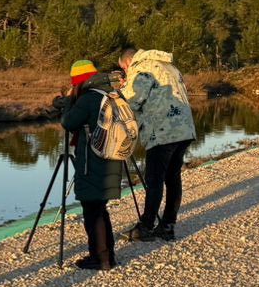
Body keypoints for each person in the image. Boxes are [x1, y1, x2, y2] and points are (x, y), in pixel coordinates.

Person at [117, 47, 197, 241]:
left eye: (124, 69)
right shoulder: (169, 66)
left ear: (127, 62)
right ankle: (168, 225)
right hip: (184, 128)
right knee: (172, 178)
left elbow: (132, 101)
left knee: (154, 180)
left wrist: (121, 90)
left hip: (162, 131)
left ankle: (145, 226)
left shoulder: (142, 67)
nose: (126, 72)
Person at [58, 58, 125, 271]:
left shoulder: (87, 99)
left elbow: (68, 123)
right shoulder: (114, 94)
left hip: (91, 160)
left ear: (79, 82)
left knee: (92, 209)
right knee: (100, 208)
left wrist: (69, 102)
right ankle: (108, 255)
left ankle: (100, 258)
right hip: (114, 157)